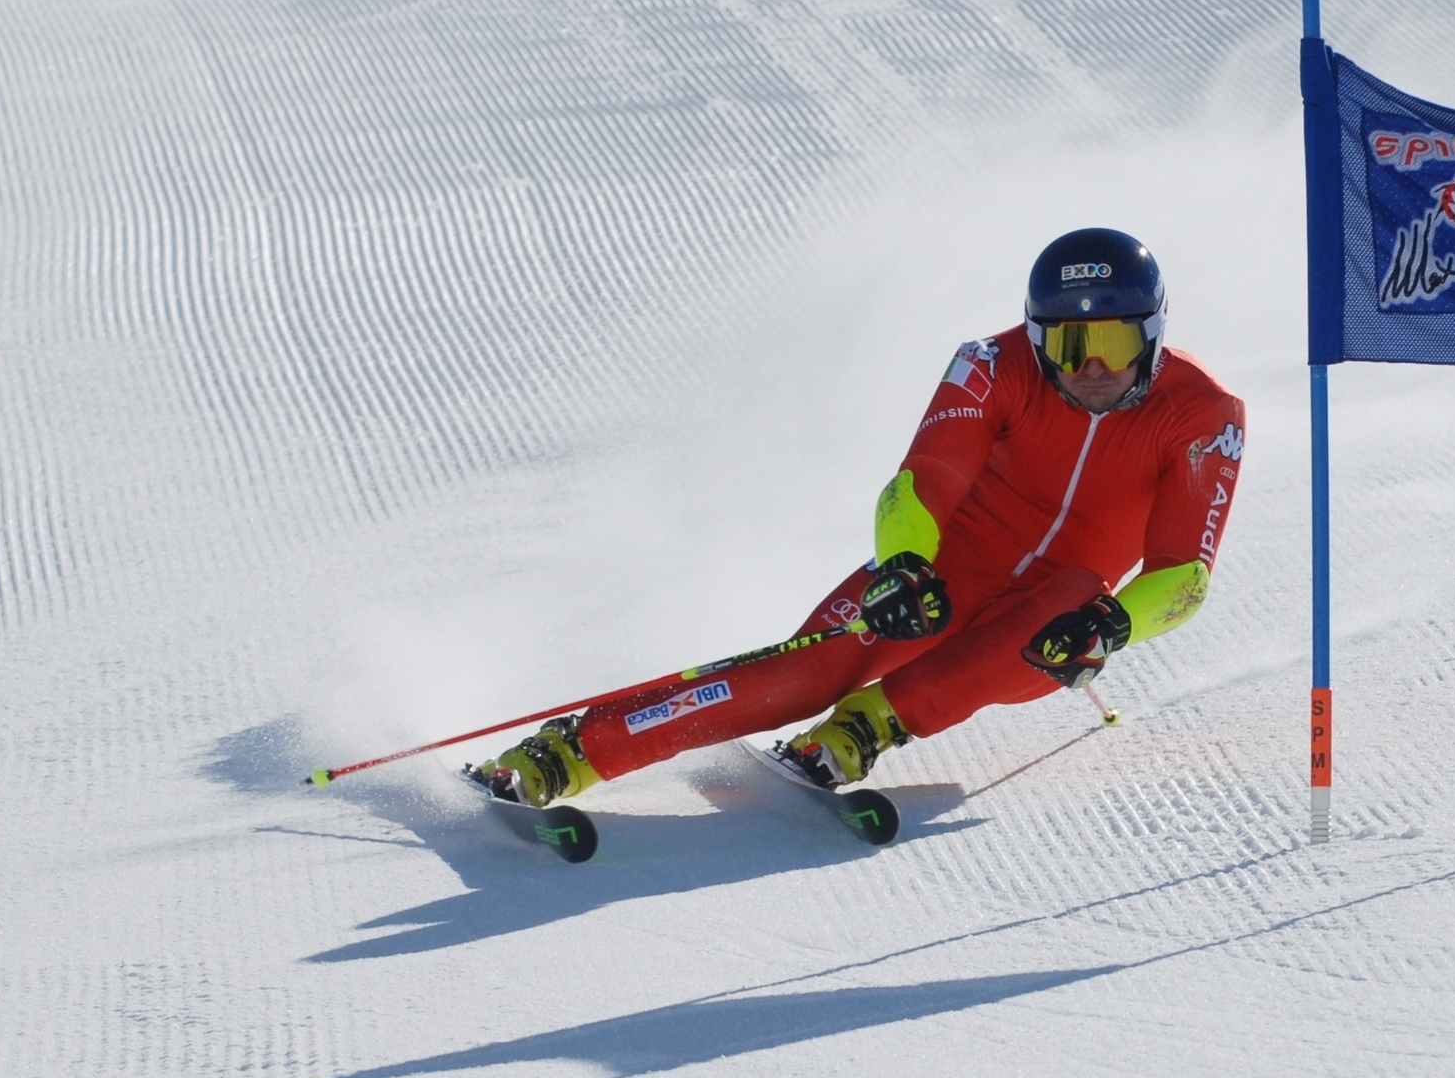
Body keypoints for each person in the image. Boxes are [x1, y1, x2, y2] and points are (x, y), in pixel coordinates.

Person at [490, 227, 1247, 806]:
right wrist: (903, 565)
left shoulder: (1202, 415)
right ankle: (579, 749)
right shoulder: (991, 363)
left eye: (1113, 343)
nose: (1090, 368)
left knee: (1066, 609)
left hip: (1046, 618)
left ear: (1151, 335)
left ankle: (870, 724)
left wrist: (1109, 625)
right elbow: (921, 482)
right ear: (1037, 335)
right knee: (800, 673)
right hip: (945, 570)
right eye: (1068, 342)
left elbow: (1184, 576)